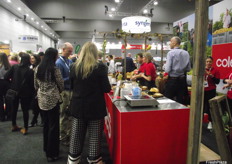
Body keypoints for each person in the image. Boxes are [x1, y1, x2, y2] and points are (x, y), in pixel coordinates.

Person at [67, 42, 111, 164]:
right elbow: (106, 88)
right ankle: (93, 160)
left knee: (76, 137)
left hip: (78, 106)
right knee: (94, 138)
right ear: (95, 53)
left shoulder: (73, 67)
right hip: (95, 108)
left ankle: (73, 161)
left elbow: (71, 86)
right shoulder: (101, 67)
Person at [34, 48, 64, 162]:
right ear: (53, 56)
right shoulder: (54, 69)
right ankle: (53, 153)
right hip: (53, 100)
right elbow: (61, 84)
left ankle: (46, 149)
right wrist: (57, 91)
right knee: (54, 127)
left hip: (41, 100)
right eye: (57, 55)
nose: (57, 57)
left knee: (46, 125)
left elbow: (35, 84)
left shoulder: (38, 68)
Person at [4, 53, 34, 135]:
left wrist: (12, 84)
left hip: (14, 91)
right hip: (25, 93)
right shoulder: (30, 70)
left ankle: (14, 125)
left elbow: (6, 77)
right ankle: (25, 128)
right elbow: (32, 84)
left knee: (14, 109)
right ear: (28, 60)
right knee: (25, 111)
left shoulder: (14, 67)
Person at [164, 36, 191, 105]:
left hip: (172, 81)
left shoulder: (171, 53)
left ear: (174, 43)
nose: (169, 44)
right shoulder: (186, 53)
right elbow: (188, 69)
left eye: (170, 42)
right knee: (181, 102)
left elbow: (167, 69)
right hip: (182, 81)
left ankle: (169, 115)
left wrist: (165, 67)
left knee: (168, 101)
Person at [56, 42, 73, 146]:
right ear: (63, 49)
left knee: (70, 114)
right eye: (69, 51)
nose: (70, 53)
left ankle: (69, 135)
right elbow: (59, 80)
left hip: (71, 90)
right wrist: (71, 78)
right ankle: (63, 136)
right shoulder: (59, 63)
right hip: (64, 92)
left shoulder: (69, 60)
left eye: (71, 51)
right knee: (63, 114)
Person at [203, 57, 220, 130]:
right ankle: (200, 121)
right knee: (202, 106)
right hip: (202, 90)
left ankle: (210, 122)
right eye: (207, 61)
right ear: (205, 62)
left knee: (210, 107)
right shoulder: (202, 70)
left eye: (210, 61)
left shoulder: (215, 70)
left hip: (211, 90)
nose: (208, 63)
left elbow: (217, 81)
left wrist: (211, 75)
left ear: (212, 62)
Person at [29, 54, 44, 127]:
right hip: (32, 89)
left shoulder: (39, 67)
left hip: (38, 89)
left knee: (38, 105)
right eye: (31, 58)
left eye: (33, 58)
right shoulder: (31, 67)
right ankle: (35, 120)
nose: (31, 60)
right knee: (36, 106)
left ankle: (35, 121)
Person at [0, 53, 11, 121]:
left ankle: (2, 116)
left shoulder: (0, 66)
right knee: (8, 100)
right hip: (7, 82)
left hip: (0, 82)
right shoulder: (9, 66)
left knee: (0, 100)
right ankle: (9, 115)